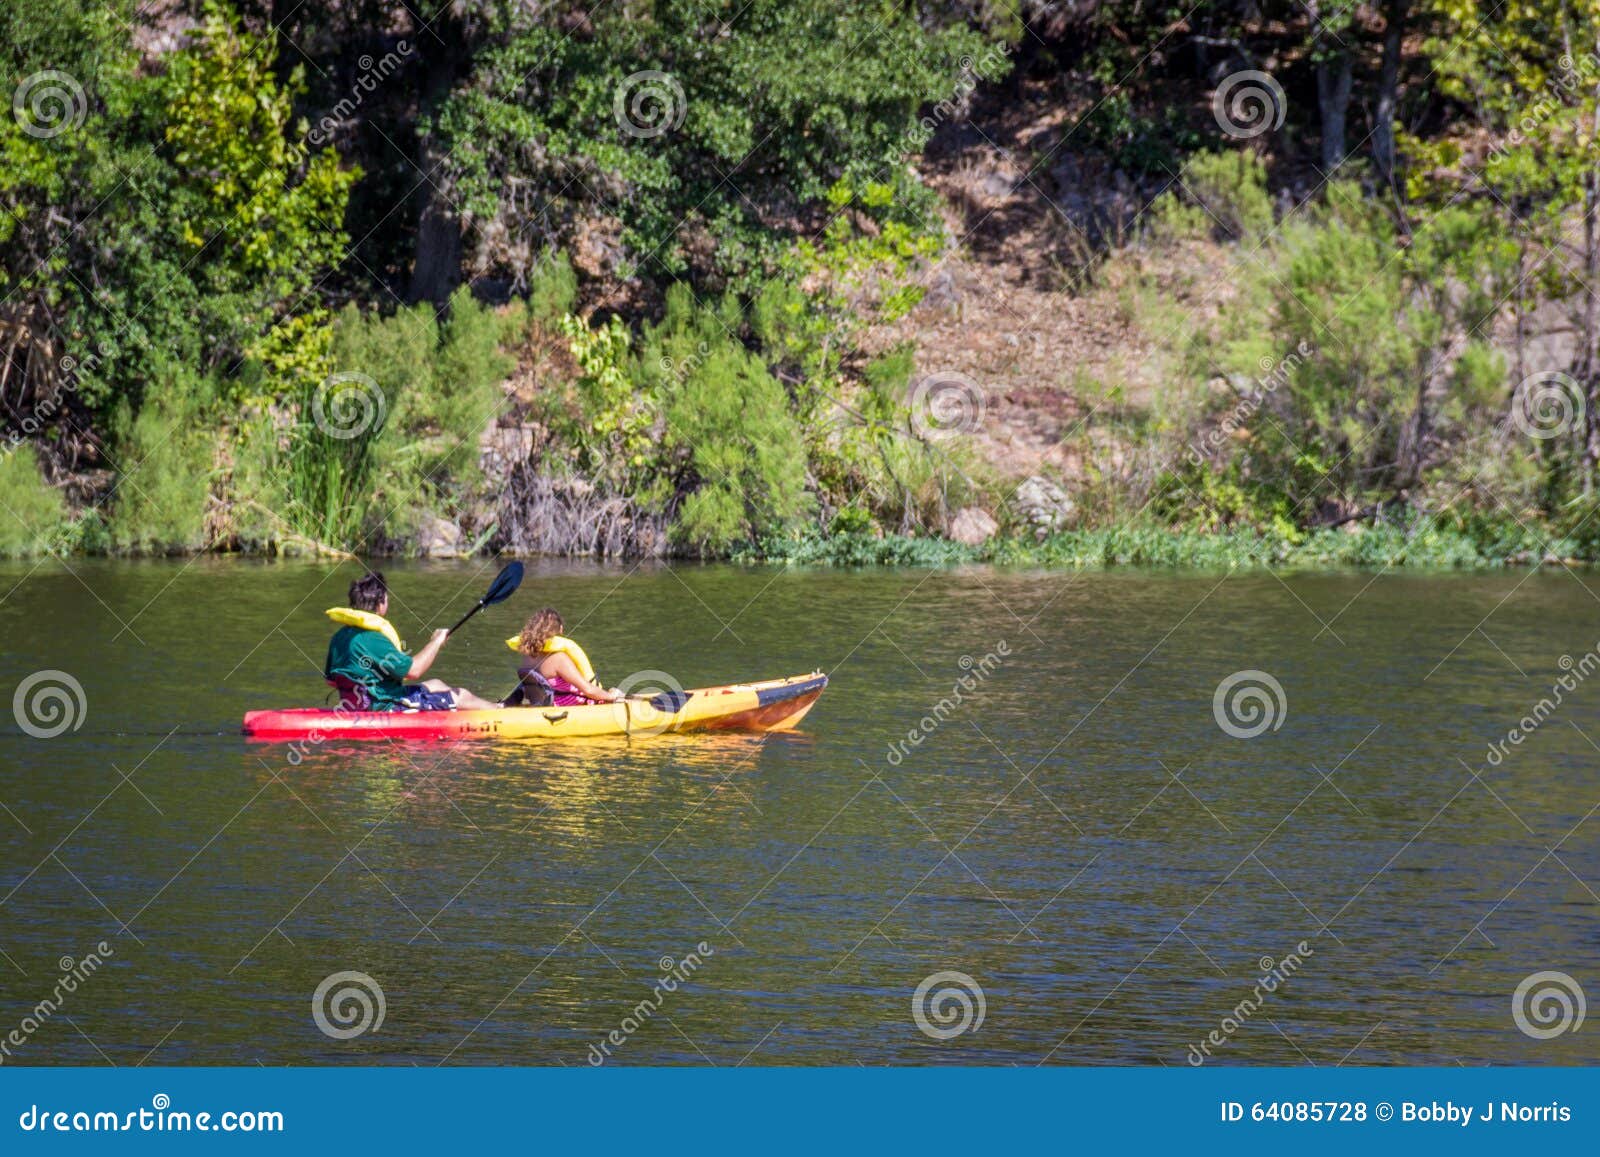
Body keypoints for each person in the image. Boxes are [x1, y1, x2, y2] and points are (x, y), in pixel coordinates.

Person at [324, 572, 499, 711]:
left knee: (436, 684)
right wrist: (436, 641)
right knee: (460, 695)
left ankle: (497, 707)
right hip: (386, 707)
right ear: (380, 603)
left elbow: (332, 681)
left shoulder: (340, 636)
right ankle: (501, 714)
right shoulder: (374, 639)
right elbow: (414, 671)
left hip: (358, 705)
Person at [509, 608, 621, 706]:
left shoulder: (528, 656)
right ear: (560, 629)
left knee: (612, 691)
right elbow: (588, 690)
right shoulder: (559, 659)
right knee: (615, 692)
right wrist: (612, 696)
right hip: (569, 706)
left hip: (543, 704)